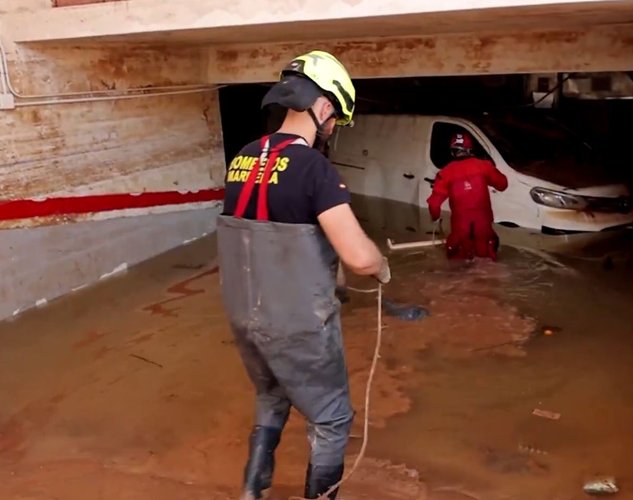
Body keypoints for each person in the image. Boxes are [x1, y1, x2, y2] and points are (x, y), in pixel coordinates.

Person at [216, 50, 391, 500]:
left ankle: (253, 492)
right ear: (325, 106)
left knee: (272, 397)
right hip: (296, 326)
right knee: (332, 417)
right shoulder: (315, 169)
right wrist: (381, 266)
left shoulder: (243, 158)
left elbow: (265, 237)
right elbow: (358, 257)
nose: (333, 130)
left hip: (245, 318)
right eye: (337, 120)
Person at [427, 131, 509, 261]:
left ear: (452, 151)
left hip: (460, 231)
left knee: (457, 269)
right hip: (484, 230)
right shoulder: (484, 166)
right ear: (470, 150)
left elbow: (434, 205)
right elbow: (503, 184)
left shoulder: (445, 173)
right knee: (488, 265)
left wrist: (435, 218)